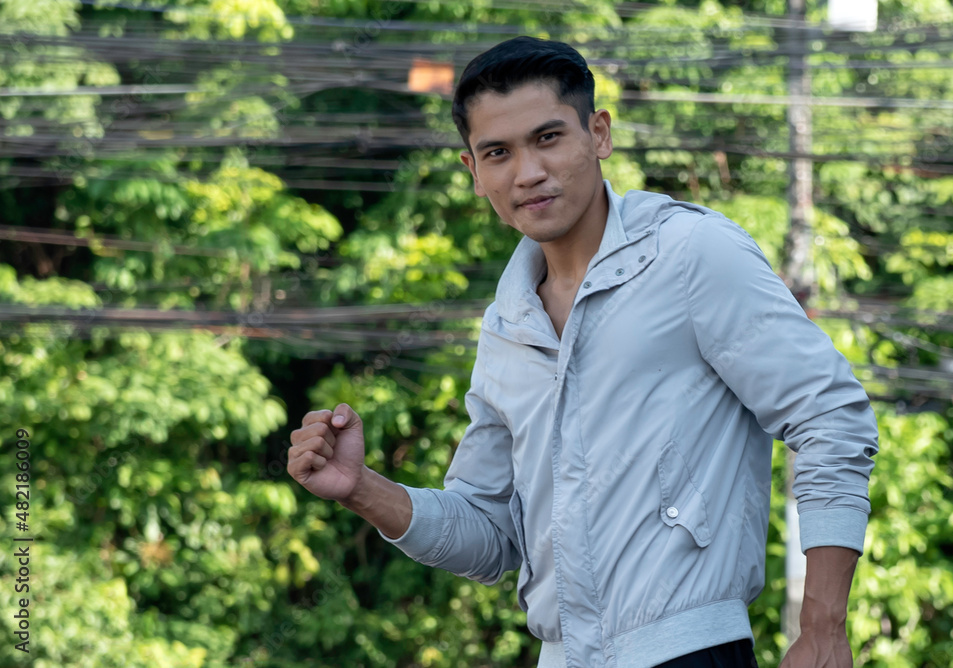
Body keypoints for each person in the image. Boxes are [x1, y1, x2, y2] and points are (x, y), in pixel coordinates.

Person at [287, 36, 879, 668]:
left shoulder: (689, 253)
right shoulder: (507, 325)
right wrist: (361, 489)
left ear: (599, 134)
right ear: (473, 172)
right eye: (498, 153)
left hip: (688, 650)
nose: (527, 173)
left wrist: (823, 627)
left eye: (548, 138)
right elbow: (489, 533)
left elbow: (830, 416)